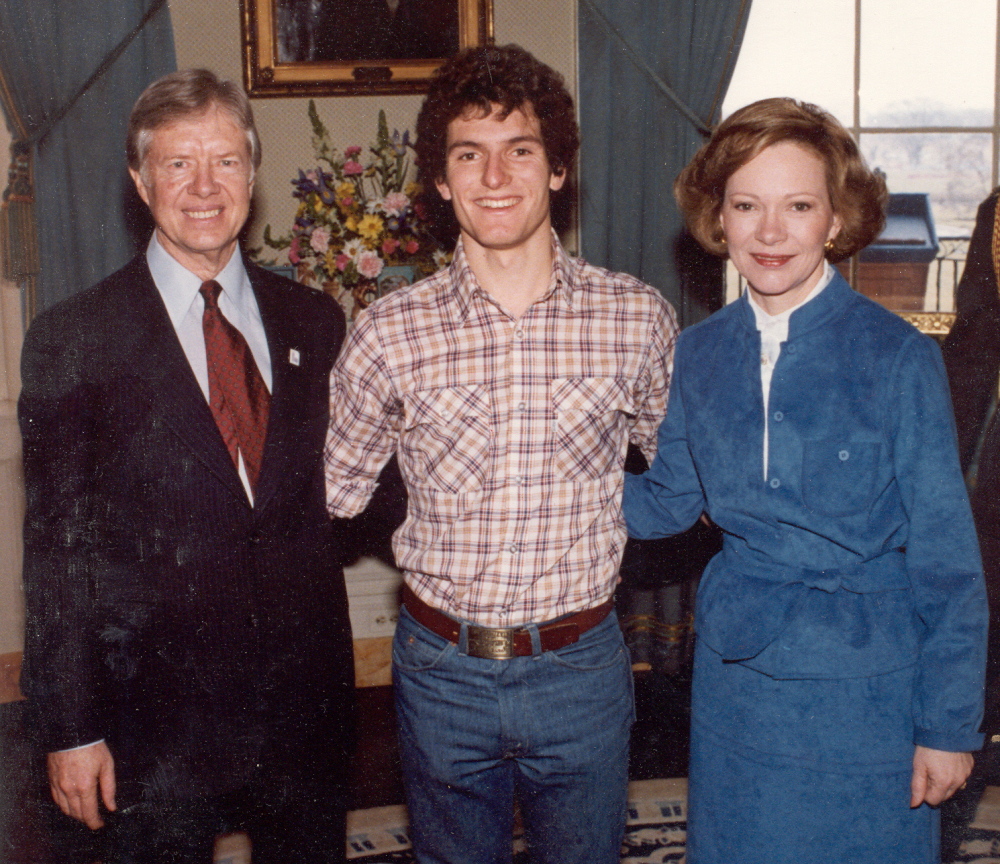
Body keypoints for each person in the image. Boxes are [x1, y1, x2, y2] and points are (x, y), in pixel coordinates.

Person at [323, 44, 678, 864]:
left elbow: (675, 477)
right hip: (440, 666)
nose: (495, 176)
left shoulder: (637, 318)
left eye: (520, 149)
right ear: (440, 181)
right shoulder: (389, 332)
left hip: (582, 666)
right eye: (468, 155)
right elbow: (339, 495)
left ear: (557, 168)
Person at [622, 97, 988, 864]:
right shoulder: (699, 353)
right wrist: (545, 476)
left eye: (798, 206)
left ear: (836, 218)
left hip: (869, 688)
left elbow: (948, 560)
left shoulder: (898, 357)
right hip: (739, 682)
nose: (770, 231)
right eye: (746, 205)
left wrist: (947, 729)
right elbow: (666, 503)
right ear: (718, 219)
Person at [19, 69, 354, 864]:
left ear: (252, 172)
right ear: (140, 181)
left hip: (301, 711)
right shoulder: (75, 340)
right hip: (154, 723)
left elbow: (345, 493)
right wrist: (70, 729)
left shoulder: (315, 318)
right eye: (178, 164)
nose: (204, 186)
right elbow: (58, 557)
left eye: (226, 161)